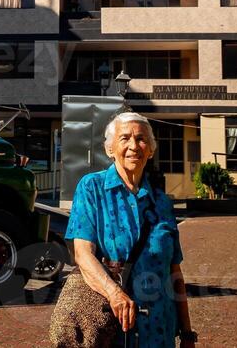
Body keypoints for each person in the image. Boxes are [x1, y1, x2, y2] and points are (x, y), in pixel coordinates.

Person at [62, 112, 195, 347]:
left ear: (151, 150)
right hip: (111, 331)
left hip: (158, 332)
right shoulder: (92, 188)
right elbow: (82, 253)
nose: (134, 146)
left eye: (141, 139)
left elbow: (174, 273)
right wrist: (114, 293)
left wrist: (186, 332)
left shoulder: (162, 203)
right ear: (110, 148)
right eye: (124, 138)